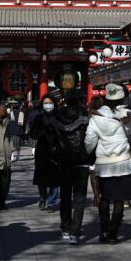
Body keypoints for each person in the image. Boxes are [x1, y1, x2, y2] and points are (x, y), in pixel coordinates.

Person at [85, 85, 131, 244]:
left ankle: (103, 231)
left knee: (105, 198)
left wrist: (88, 153)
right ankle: (113, 233)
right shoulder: (126, 114)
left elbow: (90, 141)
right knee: (119, 200)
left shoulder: (96, 116)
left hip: (104, 163)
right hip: (123, 162)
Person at [53, 90, 93, 244]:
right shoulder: (85, 116)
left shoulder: (57, 116)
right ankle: (75, 232)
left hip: (64, 160)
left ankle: (65, 226)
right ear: (80, 100)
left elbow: (53, 138)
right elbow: (90, 138)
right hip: (81, 159)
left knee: (65, 196)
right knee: (80, 198)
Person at [30, 96, 61, 212]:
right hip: (42, 152)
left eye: (50, 102)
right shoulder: (39, 117)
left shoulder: (59, 116)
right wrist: (41, 132)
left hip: (56, 151)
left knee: (55, 179)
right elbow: (32, 133)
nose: (48, 105)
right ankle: (43, 197)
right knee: (41, 178)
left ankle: (51, 202)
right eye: (45, 103)